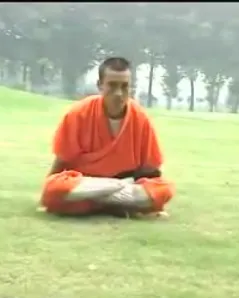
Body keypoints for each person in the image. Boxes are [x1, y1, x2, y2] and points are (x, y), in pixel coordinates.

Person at [38, 57, 174, 218]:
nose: (118, 93)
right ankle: (116, 202)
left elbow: (153, 171)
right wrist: (49, 193)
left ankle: (98, 203)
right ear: (100, 85)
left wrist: (156, 200)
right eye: (112, 86)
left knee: (164, 189)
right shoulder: (78, 113)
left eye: (124, 87)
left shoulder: (141, 119)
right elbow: (61, 162)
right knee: (55, 188)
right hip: (86, 184)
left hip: (124, 186)